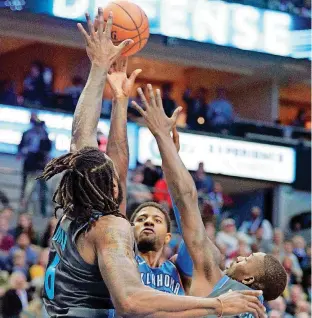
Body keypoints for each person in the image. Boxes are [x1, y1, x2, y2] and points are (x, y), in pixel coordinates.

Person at [38, 10, 265, 318]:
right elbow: (133, 302)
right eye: (142, 216)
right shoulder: (111, 231)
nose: (145, 220)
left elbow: (81, 141)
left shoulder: (73, 215)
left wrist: (110, 87)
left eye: (156, 219)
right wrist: (217, 305)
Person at [132, 84, 287, 305]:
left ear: (250, 278)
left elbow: (186, 203)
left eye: (248, 259)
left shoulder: (220, 284)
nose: (241, 256)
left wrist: (163, 141)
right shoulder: (254, 309)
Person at [130, 202, 191, 295]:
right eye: (141, 219)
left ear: (167, 237)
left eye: (157, 220)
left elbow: (192, 238)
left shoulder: (177, 268)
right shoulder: (124, 262)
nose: (148, 222)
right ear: (130, 231)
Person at [18, 119, 52, 216]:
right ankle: (24, 209)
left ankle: (43, 210)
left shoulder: (45, 137)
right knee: (27, 188)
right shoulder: (27, 134)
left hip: (41, 168)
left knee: (42, 189)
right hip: (29, 166)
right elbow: (21, 147)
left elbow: (47, 151)